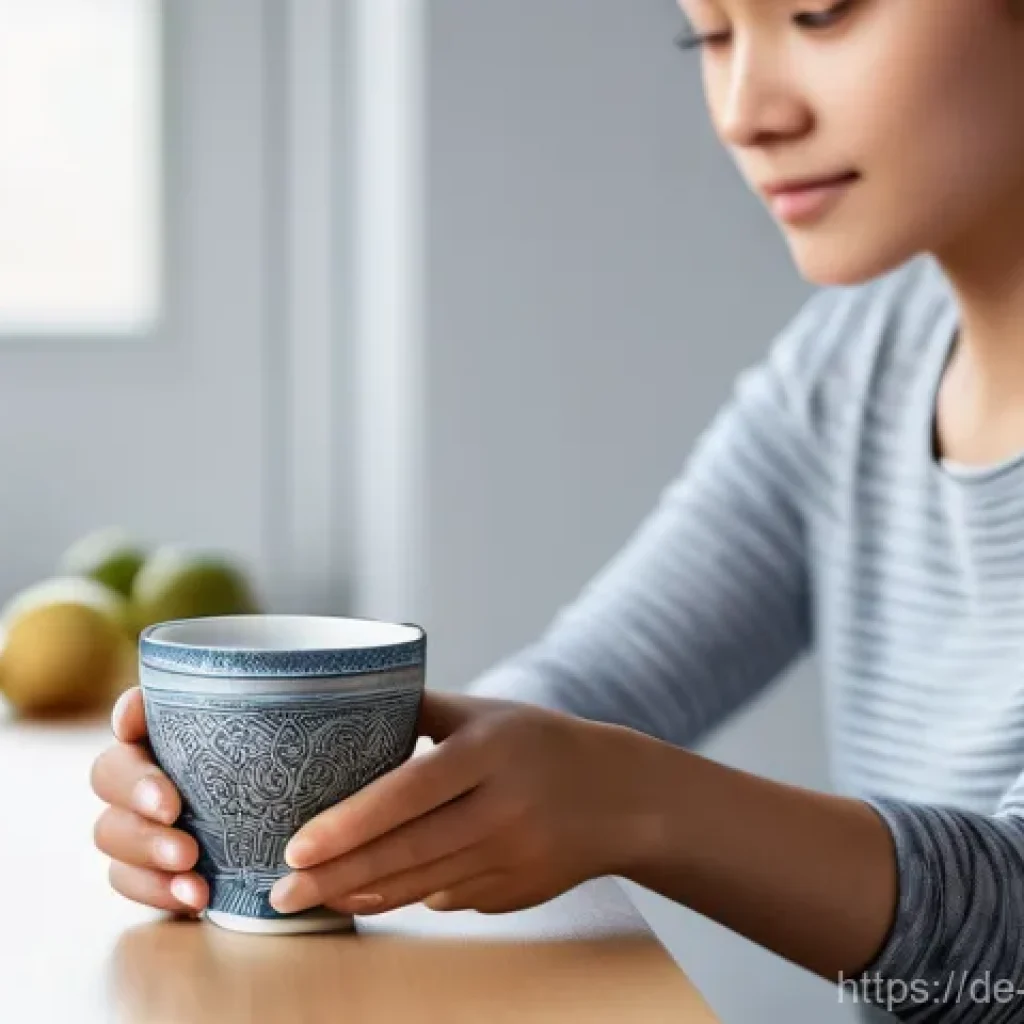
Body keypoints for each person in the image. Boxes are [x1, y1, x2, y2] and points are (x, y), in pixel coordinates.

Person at [90, 1, 1024, 1019]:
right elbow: (581, 692)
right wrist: (254, 815)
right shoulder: (853, 367)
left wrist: (639, 804)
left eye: (817, 13)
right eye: (707, 35)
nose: (744, 112)